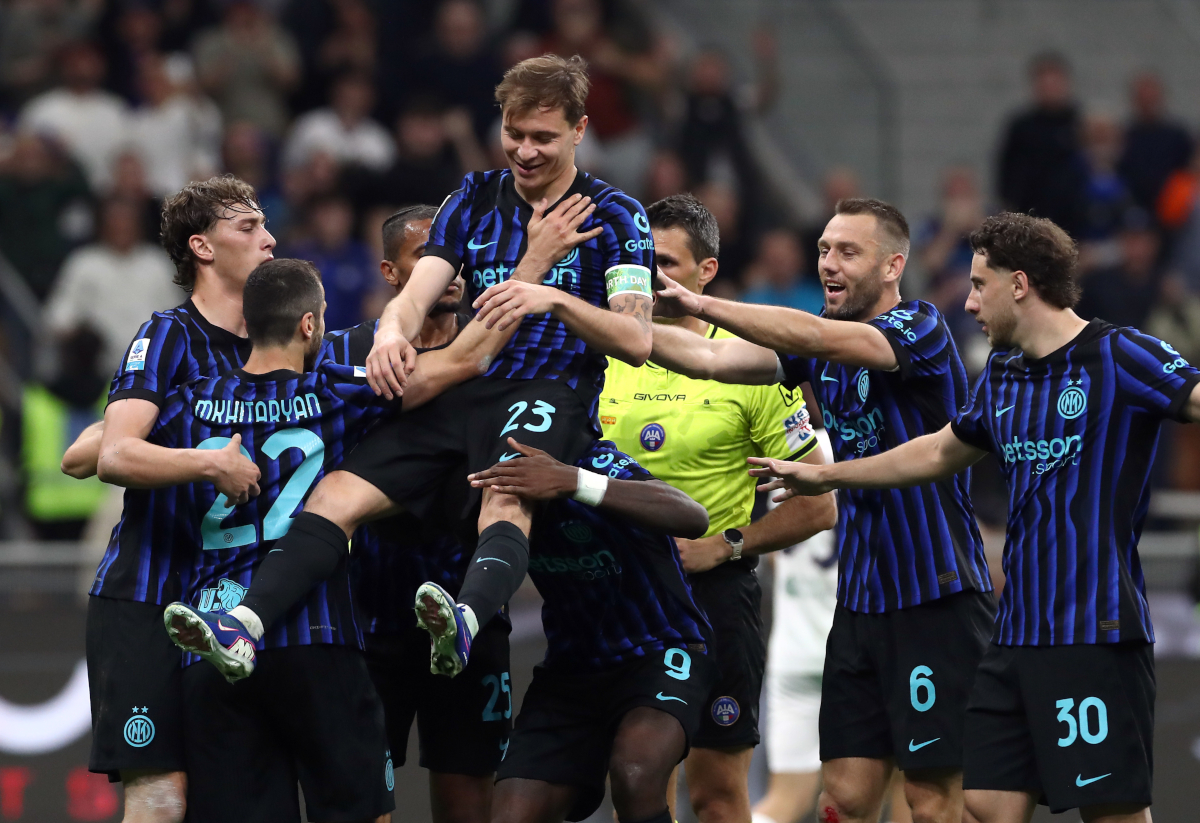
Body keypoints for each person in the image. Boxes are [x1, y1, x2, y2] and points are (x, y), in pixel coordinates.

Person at [193, 54, 656, 684]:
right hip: (466, 382)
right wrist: (389, 333)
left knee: (507, 491)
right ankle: (244, 626)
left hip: (550, 389)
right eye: (514, 133)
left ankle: (464, 620)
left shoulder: (617, 216)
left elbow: (635, 340)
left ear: (578, 131)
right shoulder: (471, 198)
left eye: (543, 138)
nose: (524, 150)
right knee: (338, 492)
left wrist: (553, 296)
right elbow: (417, 294)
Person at [753, 211, 1183, 823]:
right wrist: (826, 475)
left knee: (1107, 810)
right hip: (1014, 633)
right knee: (985, 800)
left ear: (1020, 284)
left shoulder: (1118, 354)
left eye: (979, 286)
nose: (971, 304)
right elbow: (933, 452)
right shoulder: (1002, 377)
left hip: (1095, 629)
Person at [648, 197, 995, 823]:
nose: (828, 264)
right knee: (845, 796)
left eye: (847, 252)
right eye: (824, 250)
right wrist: (585, 317)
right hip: (859, 604)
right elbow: (707, 359)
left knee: (931, 796)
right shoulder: (819, 351)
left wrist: (702, 303)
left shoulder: (920, 328)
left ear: (893, 266)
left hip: (935, 598)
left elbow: (819, 336)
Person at [160, 256, 529, 823]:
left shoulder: (187, 405)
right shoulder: (334, 393)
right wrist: (534, 265)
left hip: (211, 633)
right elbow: (466, 357)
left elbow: (99, 453)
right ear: (309, 326)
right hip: (317, 637)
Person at [599, 194, 836, 823]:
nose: (652, 279)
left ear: (706, 272)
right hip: (617, 596)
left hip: (713, 602)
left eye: (668, 264)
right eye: (643, 262)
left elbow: (820, 504)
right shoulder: (604, 354)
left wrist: (726, 544)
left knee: (716, 795)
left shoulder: (752, 364)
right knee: (639, 782)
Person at [72, 175, 272, 823]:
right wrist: (207, 459)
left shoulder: (279, 347)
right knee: (161, 797)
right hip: (146, 596)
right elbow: (112, 455)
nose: (269, 239)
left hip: (236, 607)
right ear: (202, 246)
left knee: (229, 795)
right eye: (247, 227)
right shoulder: (167, 335)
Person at [332, 204, 509, 823]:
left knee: (468, 803)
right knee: (363, 804)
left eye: (455, 256)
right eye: (427, 257)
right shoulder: (346, 353)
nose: (450, 271)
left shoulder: (500, 351)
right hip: (370, 620)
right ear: (390, 271)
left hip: (468, 615)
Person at [467, 437, 715, 823]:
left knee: (635, 775)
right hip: (570, 673)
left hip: (659, 649)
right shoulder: (490, 481)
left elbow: (694, 517)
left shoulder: (593, 459)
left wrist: (573, 481)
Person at [751, 430, 838, 823]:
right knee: (898, 789)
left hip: (794, 651)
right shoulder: (872, 446)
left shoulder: (791, 453)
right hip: (860, 652)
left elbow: (772, 556)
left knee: (784, 800)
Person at [44, 197, 183, 380]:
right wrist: (81, 334)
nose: (121, 228)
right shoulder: (83, 263)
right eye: (115, 222)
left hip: (152, 371)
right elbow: (57, 319)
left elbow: (178, 317)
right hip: (99, 375)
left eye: (127, 222)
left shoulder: (156, 264)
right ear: (102, 226)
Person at [996, 52, 1086, 239]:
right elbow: (1007, 173)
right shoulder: (1021, 127)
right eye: (1044, 84)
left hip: (1077, 219)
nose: (1050, 89)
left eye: (1054, 83)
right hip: (1032, 218)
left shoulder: (1081, 124)